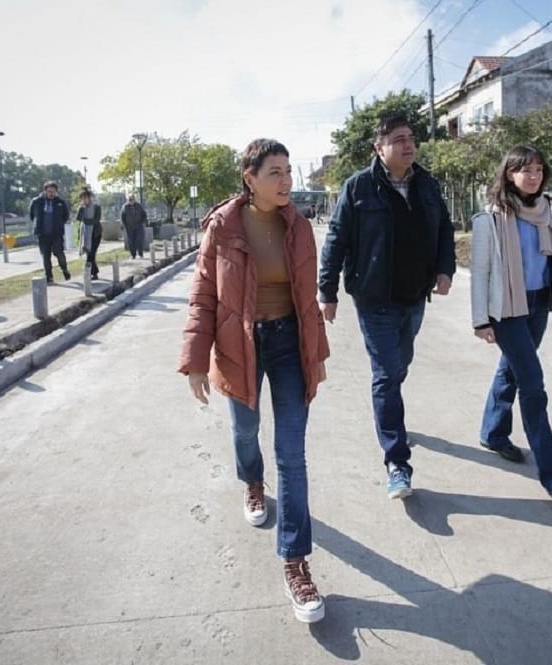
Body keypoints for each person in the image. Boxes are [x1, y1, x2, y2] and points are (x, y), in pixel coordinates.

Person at [179, 138, 330, 624]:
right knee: (245, 429)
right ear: (249, 177)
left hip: (288, 342)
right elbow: (203, 295)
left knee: (292, 451)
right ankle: (251, 480)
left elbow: (308, 301)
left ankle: (295, 561)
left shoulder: (300, 226)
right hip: (238, 344)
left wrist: (316, 353)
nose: (286, 180)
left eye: (288, 171)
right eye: (275, 172)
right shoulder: (222, 227)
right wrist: (196, 358)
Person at [318, 113, 455, 500]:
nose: (408, 145)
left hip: (414, 297)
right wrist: (326, 292)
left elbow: (444, 228)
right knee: (385, 374)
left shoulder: (427, 184)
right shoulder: (358, 187)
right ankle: (397, 461)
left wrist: (445, 269)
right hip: (374, 299)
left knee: (398, 366)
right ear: (379, 148)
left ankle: (388, 412)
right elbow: (336, 240)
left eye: (411, 138)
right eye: (398, 139)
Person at [470, 145, 552, 503]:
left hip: (537, 306)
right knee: (533, 383)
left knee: (511, 371)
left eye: (538, 170)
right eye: (525, 170)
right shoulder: (490, 219)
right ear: (509, 174)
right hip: (507, 310)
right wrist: (480, 320)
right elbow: (480, 272)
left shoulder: (547, 215)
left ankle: (493, 433)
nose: (534, 176)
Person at [29, 181, 71, 284]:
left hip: (56, 234)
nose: (51, 194)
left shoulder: (60, 202)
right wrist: (37, 226)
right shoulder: (37, 201)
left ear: (56, 192)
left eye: (53, 192)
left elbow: (66, 216)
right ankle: (49, 276)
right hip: (43, 234)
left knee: (59, 253)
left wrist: (59, 224)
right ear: (45, 191)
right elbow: (31, 214)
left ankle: (64, 269)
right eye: (49, 191)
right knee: (46, 255)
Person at [75, 188, 102, 279]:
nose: (85, 200)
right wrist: (81, 209)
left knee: (91, 254)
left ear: (90, 198)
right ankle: (94, 273)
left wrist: (86, 220)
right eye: (83, 198)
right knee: (89, 254)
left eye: (86, 198)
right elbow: (78, 219)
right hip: (85, 235)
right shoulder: (82, 208)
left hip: (95, 234)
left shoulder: (96, 207)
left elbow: (96, 220)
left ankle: (89, 273)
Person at [120, 193, 147, 258]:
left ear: (134, 199)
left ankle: (140, 253)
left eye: (132, 199)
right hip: (129, 227)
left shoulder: (139, 206)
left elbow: (144, 215)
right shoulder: (125, 207)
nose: (131, 201)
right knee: (131, 241)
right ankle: (133, 254)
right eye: (129, 199)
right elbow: (122, 217)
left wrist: (142, 222)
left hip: (138, 226)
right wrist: (124, 225)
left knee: (139, 239)